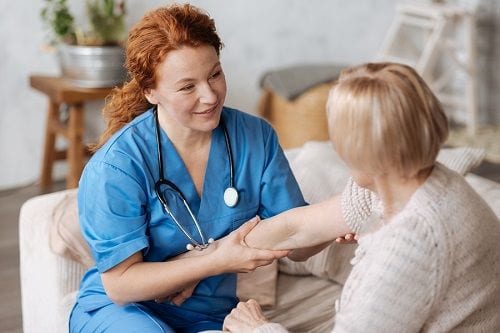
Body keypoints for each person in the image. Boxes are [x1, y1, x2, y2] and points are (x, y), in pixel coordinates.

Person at [68, 4, 311, 332]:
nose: (210, 96)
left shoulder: (255, 138)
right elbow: (120, 285)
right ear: (150, 91)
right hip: (122, 311)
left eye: (215, 74)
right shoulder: (117, 165)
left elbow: (294, 237)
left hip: (209, 315)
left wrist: (343, 221)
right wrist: (213, 261)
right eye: (187, 87)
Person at [223, 62, 500, 332]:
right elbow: (295, 229)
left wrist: (259, 328)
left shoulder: (412, 242)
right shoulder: (399, 181)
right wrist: (205, 263)